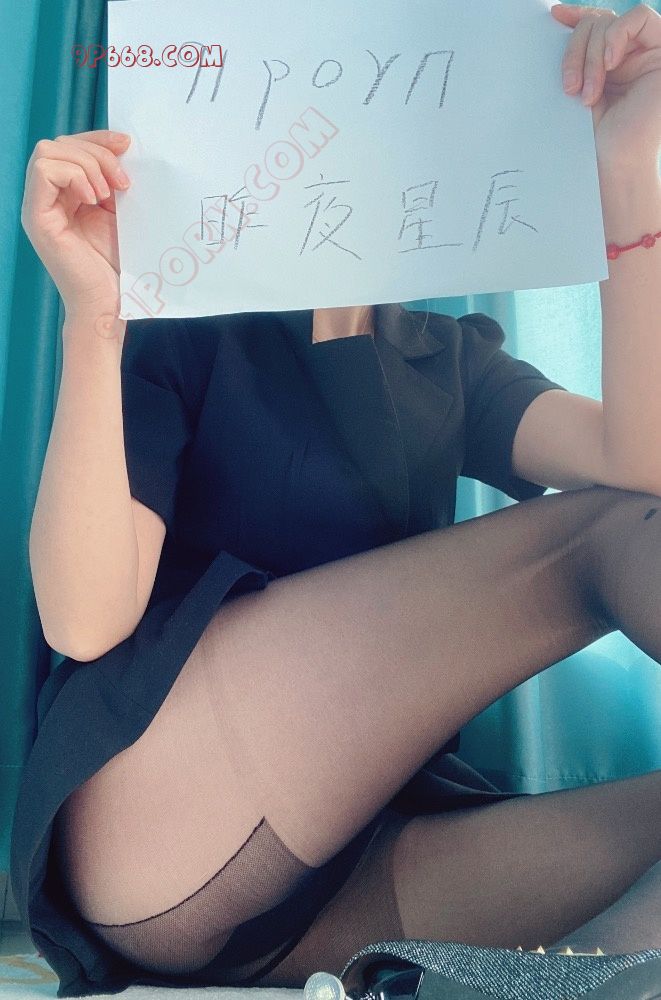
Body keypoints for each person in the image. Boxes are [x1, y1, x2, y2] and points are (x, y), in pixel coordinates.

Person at [9, 128, 661, 1000]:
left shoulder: (446, 355)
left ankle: (586, 983)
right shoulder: (189, 332)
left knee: (629, 507)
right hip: (159, 826)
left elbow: (640, 460)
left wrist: (628, 172)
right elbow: (84, 623)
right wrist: (94, 317)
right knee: (609, 528)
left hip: (344, 883)